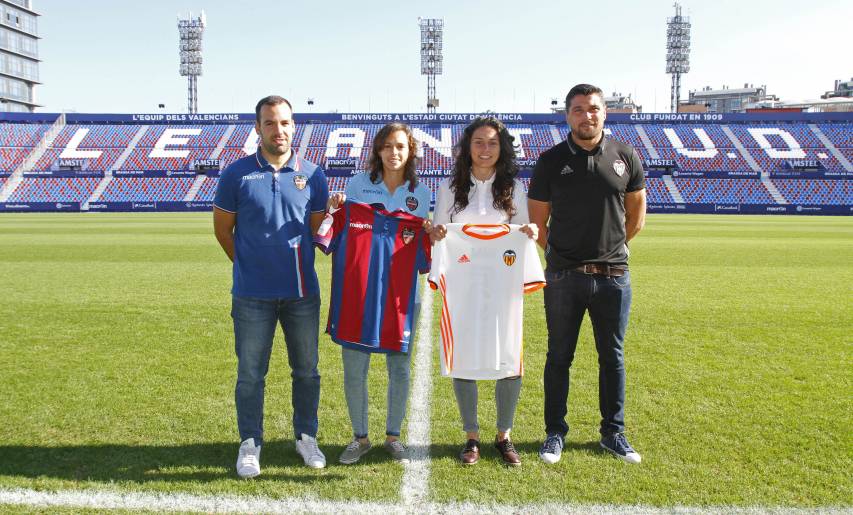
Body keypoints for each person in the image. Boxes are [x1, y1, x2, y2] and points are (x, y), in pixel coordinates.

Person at [527, 83, 646, 465]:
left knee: (612, 356)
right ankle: (554, 433)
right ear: (567, 116)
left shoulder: (625, 155)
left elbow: (636, 216)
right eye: (578, 109)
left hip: (614, 277)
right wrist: (561, 256)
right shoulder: (550, 160)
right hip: (565, 277)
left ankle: (613, 433)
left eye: (593, 108)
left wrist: (611, 250)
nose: (586, 115)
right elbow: (537, 223)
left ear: (604, 113)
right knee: (559, 356)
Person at [213, 95, 329, 477]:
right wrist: (250, 264)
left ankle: (306, 437)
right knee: (250, 374)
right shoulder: (236, 174)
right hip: (252, 295)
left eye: (284, 123)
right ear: (257, 128)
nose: (277, 130)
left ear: (293, 126)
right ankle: (250, 443)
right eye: (269, 123)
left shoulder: (313, 175)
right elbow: (223, 231)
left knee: (307, 372)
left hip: (301, 294)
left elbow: (318, 234)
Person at [431, 117, 538, 466]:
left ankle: (504, 435)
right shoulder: (449, 187)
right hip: (463, 285)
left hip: (502, 286)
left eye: (492, 142)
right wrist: (438, 234)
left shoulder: (514, 188)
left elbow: (523, 230)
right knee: (463, 354)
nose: (485, 149)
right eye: (478, 142)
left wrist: (530, 232)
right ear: (467, 147)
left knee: (508, 353)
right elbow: (438, 231)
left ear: (501, 148)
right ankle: (471, 435)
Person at [326, 122, 433, 465]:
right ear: (378, 150)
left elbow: (420, 242)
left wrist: (430, 233)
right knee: (354, 368)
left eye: (400, 146)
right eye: (387, 146)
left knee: (399, 368)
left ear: (410, 150)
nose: (393, 152)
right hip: (360, 294)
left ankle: (393, 437)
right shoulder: (357, 185)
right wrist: (335, 207)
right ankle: (359, 437)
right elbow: (341, 227)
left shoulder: (422, 194)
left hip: (403, 297)